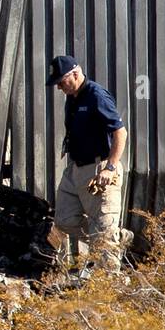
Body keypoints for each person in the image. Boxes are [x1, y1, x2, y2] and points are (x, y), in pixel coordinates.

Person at [46, 55, 127, 271]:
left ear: (75, 73)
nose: (59, 88)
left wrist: (110, 168)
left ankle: (109, 290)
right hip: (76, 169)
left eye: (61, 82)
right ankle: (111, 235)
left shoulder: (96, 95)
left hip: (100, 168)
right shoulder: (73, 98)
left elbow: (120, 132)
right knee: (63, 219)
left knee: (104, 238)